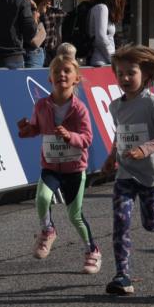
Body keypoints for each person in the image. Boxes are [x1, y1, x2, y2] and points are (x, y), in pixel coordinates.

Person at [100, 45, 154, 296]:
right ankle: (122, 275)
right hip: (125, 174)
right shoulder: (115, 107)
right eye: (120, 73)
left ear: (145, 74)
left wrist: (145, 149)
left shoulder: (153, 104)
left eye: (131, 73)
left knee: (150, 222)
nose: (125, 78)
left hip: (151, 175)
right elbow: (121, 134)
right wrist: (111, 157)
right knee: (120, 222)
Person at [16, 54, 102, 273]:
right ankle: (48, 229)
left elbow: (87, 139)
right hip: (51, 166)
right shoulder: (41, 105)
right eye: (56, 71)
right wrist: (26, 130)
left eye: (67, 71)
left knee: (74, 215)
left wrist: (69, 136)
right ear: (50, 79)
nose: (61, 74)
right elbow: (36, 128)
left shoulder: (79, 108)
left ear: (76, 78)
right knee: (42, 198)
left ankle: (92, 250)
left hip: (74, 168)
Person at [26, 0, 65, 68]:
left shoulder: (51, 12)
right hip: (31, 56)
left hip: (48, 57)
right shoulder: (27, 7)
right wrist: (38, 14)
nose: (49, 2)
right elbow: (32, 37)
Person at [87, 0, 126, 66]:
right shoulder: (102, 8)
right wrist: (113, 59)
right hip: (101, 61)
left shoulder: (102, 8)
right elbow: (101, 38)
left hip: (104, 60)